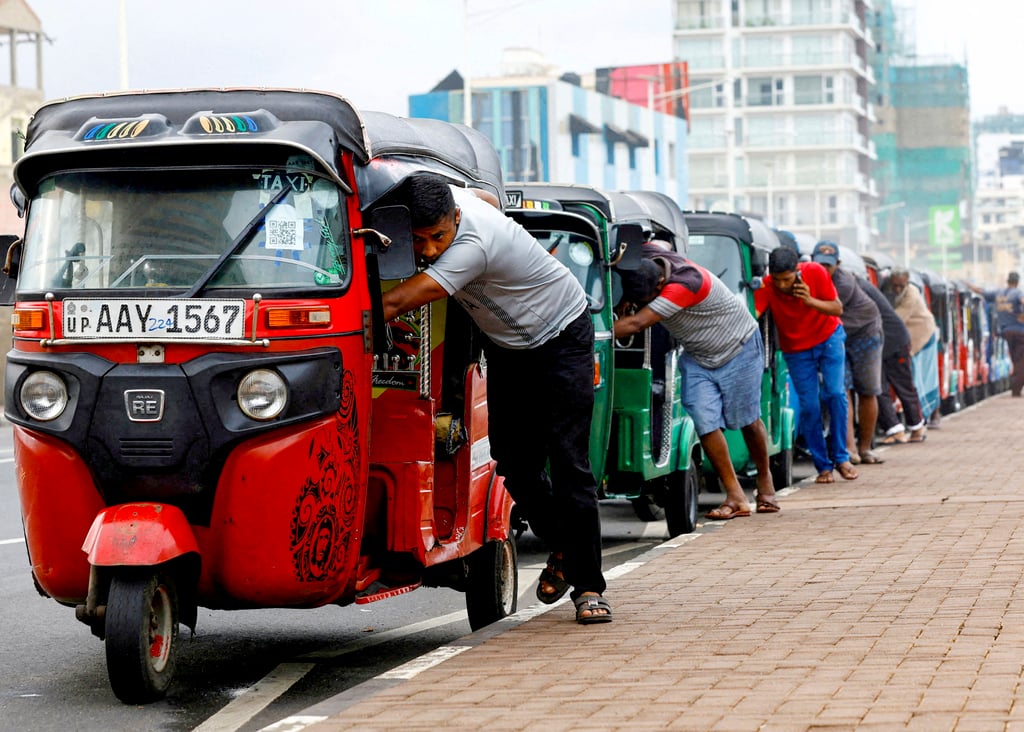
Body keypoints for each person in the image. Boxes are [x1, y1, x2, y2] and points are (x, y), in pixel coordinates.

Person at [381, 174, 611, 625]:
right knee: (513, 460)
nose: (428, 250)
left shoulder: (473, 245)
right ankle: (563, 545)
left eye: (438, 237)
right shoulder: (460, 199)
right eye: (419, 239)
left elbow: (401, 300)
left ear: (458, 219)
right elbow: (487, 195)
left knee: (569, 462)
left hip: (563, 334)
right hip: (509, 346)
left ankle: (588, 587)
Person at [613, 250, 779, 520]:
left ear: (659, 286)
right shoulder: (652, 257)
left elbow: (636, 323)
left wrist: (587, 336)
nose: (640, 305)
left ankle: (765, 479)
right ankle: (735, 495)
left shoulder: (686, 285)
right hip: (699, 355)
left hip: (739, 347)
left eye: (644, 300)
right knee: (705, 422)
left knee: (748, 420)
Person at [754, 246, 858, 484]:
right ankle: (823, 466)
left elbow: (837, 308)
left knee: (834, 393)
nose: (782, 285)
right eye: (778, 280)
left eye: (787, 279)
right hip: (796, 350)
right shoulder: (768, 285)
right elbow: (754, 314)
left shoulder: (816, 272)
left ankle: (842, 457)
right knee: (809, 406)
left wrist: (809, 300)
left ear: (797, 271)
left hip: (828, 338)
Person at [810, 241, 884, 466]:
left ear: (838, 265)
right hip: (837, 335)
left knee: (868, 391)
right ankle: (849, 449)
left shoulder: (842, 283)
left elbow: (821, 312)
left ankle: (865, 448)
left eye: (828, 266)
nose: (823, 270)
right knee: (841, 391)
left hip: (865, 333)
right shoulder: (807, 277)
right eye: (819, 264)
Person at [858, 277, 928, 445]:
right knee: (879, 388)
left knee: (903, 385)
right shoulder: (862, 285)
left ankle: (917, 427)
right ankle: (895, 430)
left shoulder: (854, 287)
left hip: (895, 341)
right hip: (879, 342)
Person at [885, 267, 941, 427]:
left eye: (900, 286)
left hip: (924, 335)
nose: (897, 289)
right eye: (895, 285)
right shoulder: (893, 292)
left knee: (927, 377)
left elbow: (896, 319)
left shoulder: (911, 295)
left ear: (907, 282)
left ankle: (933, 415)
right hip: (911, 337)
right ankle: (922, 416)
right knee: (917, 378)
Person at [969, 271, 1024, 397]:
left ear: (1008, 281)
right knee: (1021, 362)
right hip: (1020, 332)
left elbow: (980, 291)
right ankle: (1016, 389)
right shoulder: (1018, 292)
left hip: (1006, 331)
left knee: (1016, 360)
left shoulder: (998, 293)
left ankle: (1016, 385)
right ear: (1017, 282)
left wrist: (967, 284)